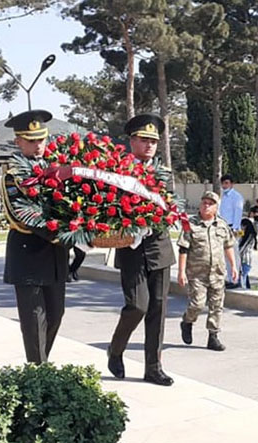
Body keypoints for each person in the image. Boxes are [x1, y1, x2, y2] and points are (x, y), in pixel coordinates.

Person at [107, 113, 176, 386]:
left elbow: (169, 207)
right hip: (131, 249)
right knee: (137, 306)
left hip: (159, 248)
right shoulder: (118, 172)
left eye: (153, 141)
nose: (149, 146)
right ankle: (116, 348)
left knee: (158, 309)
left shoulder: (164, 174)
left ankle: (153, 367)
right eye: (144, 140)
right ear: (132, 141)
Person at [2, 109, 69, 364]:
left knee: (56, 315)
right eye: (31, 140)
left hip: (55, 256)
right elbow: (20, 214)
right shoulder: (13, 174)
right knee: (34, 320)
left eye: (41, 139)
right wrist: (61, 233)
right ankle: (38, 370)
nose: (38, 145)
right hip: (28, 253)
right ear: (18, 141)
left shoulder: (57, 168)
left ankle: (41, 362)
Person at [177, 191, 237, 352]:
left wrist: (234, 266)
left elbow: (228, 246)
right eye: (204, 202)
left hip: (217, 272)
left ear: (216, 207)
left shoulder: (222, 225)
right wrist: (181, 272)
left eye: (210, 203)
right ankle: (187, 322)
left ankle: (213, 336)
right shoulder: (190, 224)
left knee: (217, 306)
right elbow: (183, 248)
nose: (206, 206)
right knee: (197, 304)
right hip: (197, 273)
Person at [219, 174, 244, 287]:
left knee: (234, 254)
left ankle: (236, 279)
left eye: (227, 183)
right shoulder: (223, 197)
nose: (224, 185)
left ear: (232, 184)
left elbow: (238, 213)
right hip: (223, 227)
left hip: (232, 228)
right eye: (223, 183)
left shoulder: (236, 197)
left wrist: (235, 228)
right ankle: (229, 278)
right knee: (226, 255)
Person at [238, 206, 258, 289]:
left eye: (242, 226)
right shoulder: (244, 234)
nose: (241, 228)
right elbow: (236, 237)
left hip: (245, 260)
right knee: (244, 278)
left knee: (243, 278)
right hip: (242, 260)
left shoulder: (250, 236)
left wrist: (235, 254)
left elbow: (243, 248)